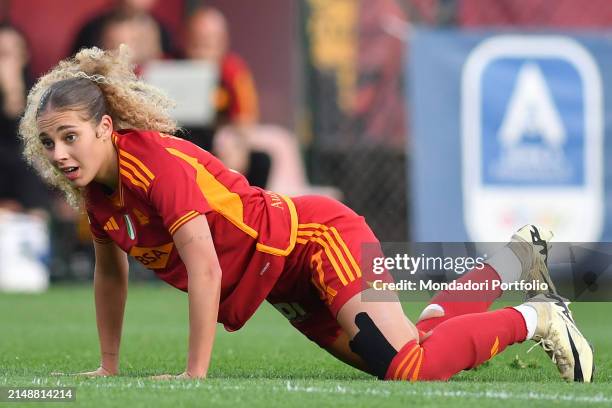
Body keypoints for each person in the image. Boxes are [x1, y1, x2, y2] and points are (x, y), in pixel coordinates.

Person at [19, 46, 594, 382]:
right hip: (283, 282)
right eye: (48, 144)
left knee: (407, 367)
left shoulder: (154, 166)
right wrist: (109, 366)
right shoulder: (98, 194)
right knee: (405, 350)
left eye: (69, 137)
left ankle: (538, 317)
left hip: (315, 240)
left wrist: (193, 377)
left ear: (104, 128)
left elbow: (207, 270)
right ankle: (511, 261)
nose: (60, 154)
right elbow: (109, 274)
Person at [183, 6, 270, 188]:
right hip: (182, 141)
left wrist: (234, 143)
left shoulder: (233, 70)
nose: (202, 50)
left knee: (261, 161)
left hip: (218, 144)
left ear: (223, 42)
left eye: (209, 42)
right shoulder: (169, 65)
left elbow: (246, 119)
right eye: (197, 41)